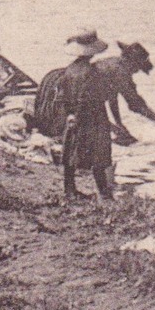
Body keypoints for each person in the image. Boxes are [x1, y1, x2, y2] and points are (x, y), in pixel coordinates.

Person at [35, 30, 116, 198]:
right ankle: (104, 192)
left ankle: (69, 189)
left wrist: (70, 115)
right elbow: (92, 97)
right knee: (99, 155)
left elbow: (63, 96)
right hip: (93, 117)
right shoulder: (92, 73)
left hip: (73, 117)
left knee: (71, 152)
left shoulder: (70, 70)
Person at [100, 42, 155, 145]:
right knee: (130, 142)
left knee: (123, 136)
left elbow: (112, 97)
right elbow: (136, 106)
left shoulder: (112, 63)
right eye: (138, 68)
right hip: (84, 111)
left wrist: (119, 124)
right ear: (132, 62)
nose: (136, 72)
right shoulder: (121, 74)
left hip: (83, 108)